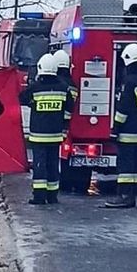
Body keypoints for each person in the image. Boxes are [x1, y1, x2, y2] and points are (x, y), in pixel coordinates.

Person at [19, 54, 72, 205]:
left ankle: (39, 196)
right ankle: (52, 196)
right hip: (55, 135)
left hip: (39, 135)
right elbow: (69, 109)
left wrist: (32, 102)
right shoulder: (63, 88)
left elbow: (22, 97)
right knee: (53, 165)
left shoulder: (35, 87)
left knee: (40, 165)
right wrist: (64, 127)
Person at [105, 44, 137, 209]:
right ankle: (131, 196)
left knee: (125, 165)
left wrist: (115, 128)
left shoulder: (129, 81)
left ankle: (123, 196)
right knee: (134, 165)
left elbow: (124, 107)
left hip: (126, 130)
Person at [51, 49, 79, 192]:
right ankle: (66, 182)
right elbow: (71, 105)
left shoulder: (55, 84)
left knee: (52, 156)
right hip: (69, 125)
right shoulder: (72, 85)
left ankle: (57, 184)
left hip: (53, 124)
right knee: (64, 156)